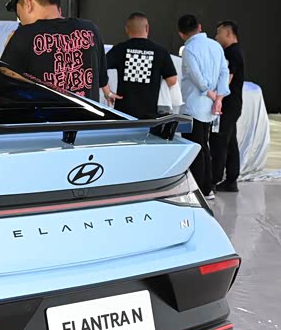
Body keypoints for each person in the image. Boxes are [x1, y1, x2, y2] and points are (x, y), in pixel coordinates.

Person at [1, 0, 114, 103]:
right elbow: (101, 80)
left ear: (28, 4)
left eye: (19, 15)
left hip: (44, 115)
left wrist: (9, 47)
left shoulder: (23, 35)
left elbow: (5, 85)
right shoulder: (91, 30)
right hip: (86, 115)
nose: (21, 22)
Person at [177, 14, 230, 199]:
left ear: (181, 33)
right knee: (204, 146)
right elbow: (224, 72)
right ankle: (207, 188)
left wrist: (210, 94)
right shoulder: (215, 46)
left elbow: (196, 76)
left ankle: (198, 189)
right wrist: (219, 98)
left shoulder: (189, 49)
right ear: (199, 27)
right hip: (210, 106)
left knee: (194, 148)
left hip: (194, 105)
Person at [105, 11, 177, 119]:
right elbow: (172, 80)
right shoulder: (160, 52)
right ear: (147, 28)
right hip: (149, 114)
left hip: (123, 113)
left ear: (126, 29)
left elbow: (99, 68)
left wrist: (108, 93)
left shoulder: (119, 49)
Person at [210, 20, 245, 192]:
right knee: (230, 142)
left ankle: (214, 179)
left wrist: (216, 97)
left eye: (219, 33)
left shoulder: (231, 53)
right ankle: (231, 179)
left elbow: (227, 79)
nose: (216, 36)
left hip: (228, 105)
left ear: (229, 34)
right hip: (233, 104)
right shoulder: (234, 51)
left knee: (220, 142)